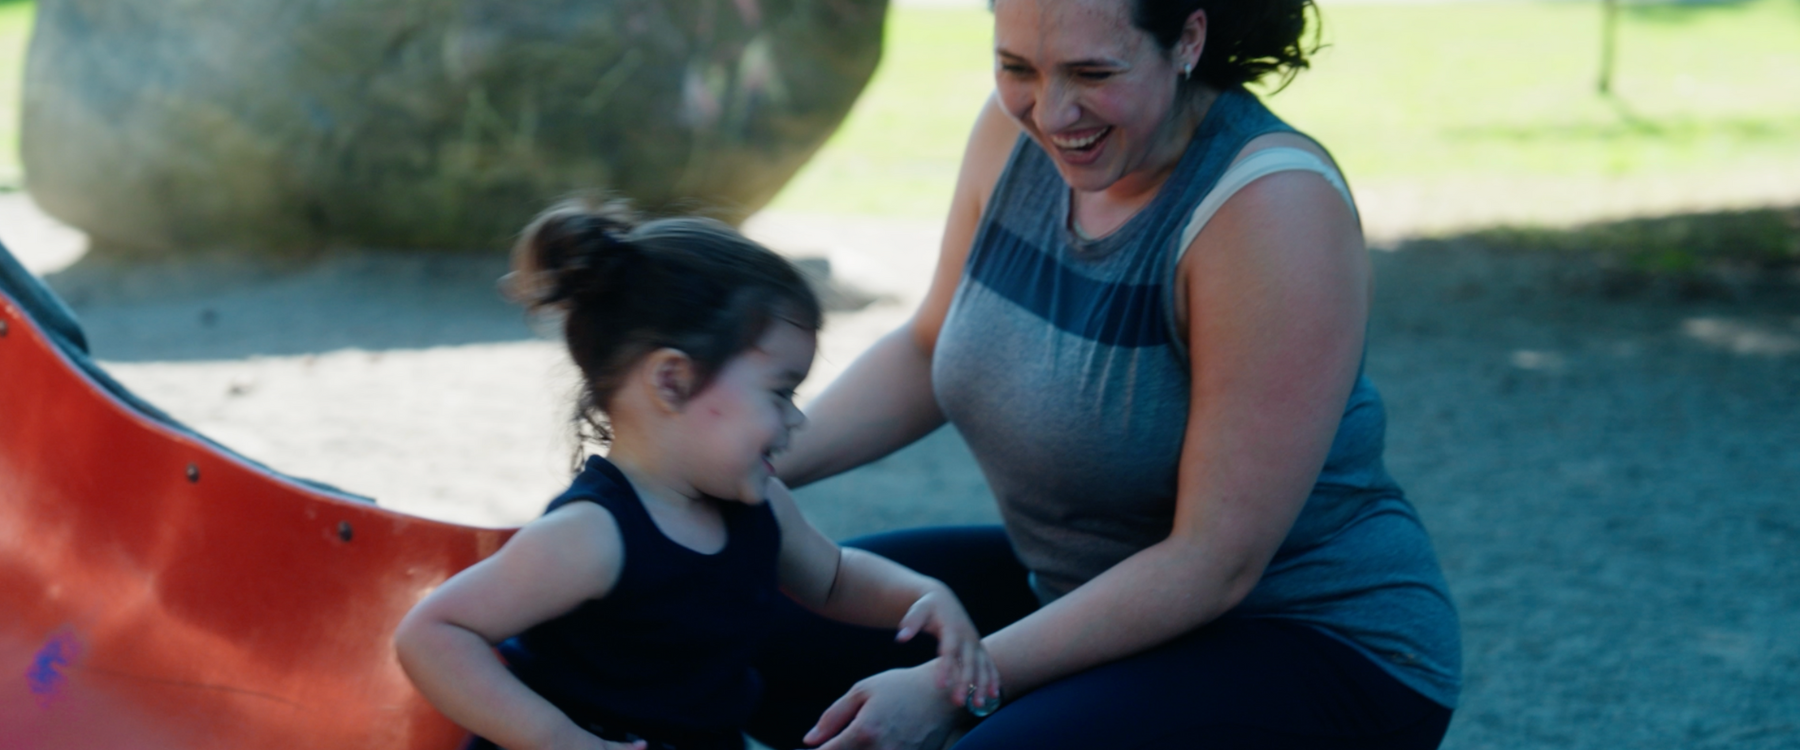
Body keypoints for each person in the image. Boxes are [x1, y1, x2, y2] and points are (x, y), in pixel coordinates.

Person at [745, 0, 1462, 746]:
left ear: (1188, 37)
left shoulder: (1270, 208)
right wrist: (743, 464)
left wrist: (951, 685)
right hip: (1075, 594)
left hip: (1304, 636)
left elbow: (1213, 562)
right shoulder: (1011, 136)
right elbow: (930, 348)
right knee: (723, 611)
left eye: (1093, 72)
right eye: (1018, 67)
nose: (1052, 112)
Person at [392, 202, 999, 750]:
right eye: (780, 393)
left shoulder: (759, 505)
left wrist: (921, 595)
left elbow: (834, 578)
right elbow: (436, 631)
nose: (795, 419)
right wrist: (560, 740)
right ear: (672, 381)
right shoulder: (592, 535)